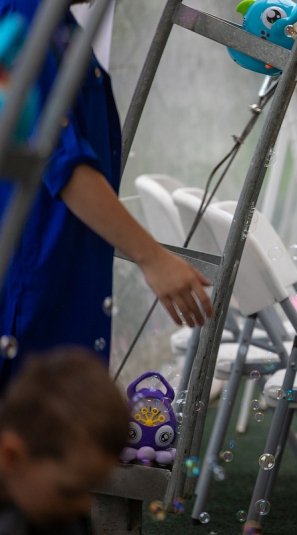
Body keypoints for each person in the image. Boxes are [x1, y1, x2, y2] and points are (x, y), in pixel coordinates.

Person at [0, 0, 213, 390]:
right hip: (34, 290)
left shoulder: (58, 23)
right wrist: (152, 257)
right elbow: (58, 159)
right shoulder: (28, 13)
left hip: (57, 281)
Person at [0, 346, 130, 533]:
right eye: (70, 492)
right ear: (11, 457)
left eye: (92, 488)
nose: (85, 505)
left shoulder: (60, 516)